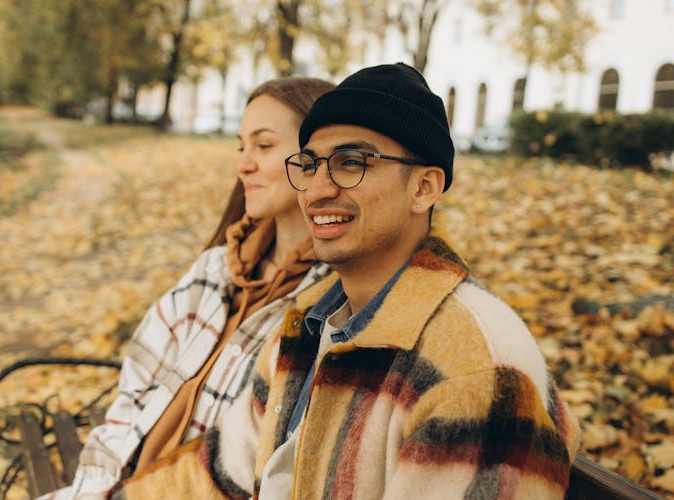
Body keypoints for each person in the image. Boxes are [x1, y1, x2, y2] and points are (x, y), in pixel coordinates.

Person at [116, 63, 580, 499]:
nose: (317, 190)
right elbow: (216, 473)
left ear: (424, 188)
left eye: (351, 162)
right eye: (310, 165)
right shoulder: (310, 321)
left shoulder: (475, 370)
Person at [48, 76, 335, 498]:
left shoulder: (329, 310)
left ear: (317, 158)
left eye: (264, 145)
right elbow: (128, 409)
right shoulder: (214, 271)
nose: (243, 165)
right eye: (242, 147)